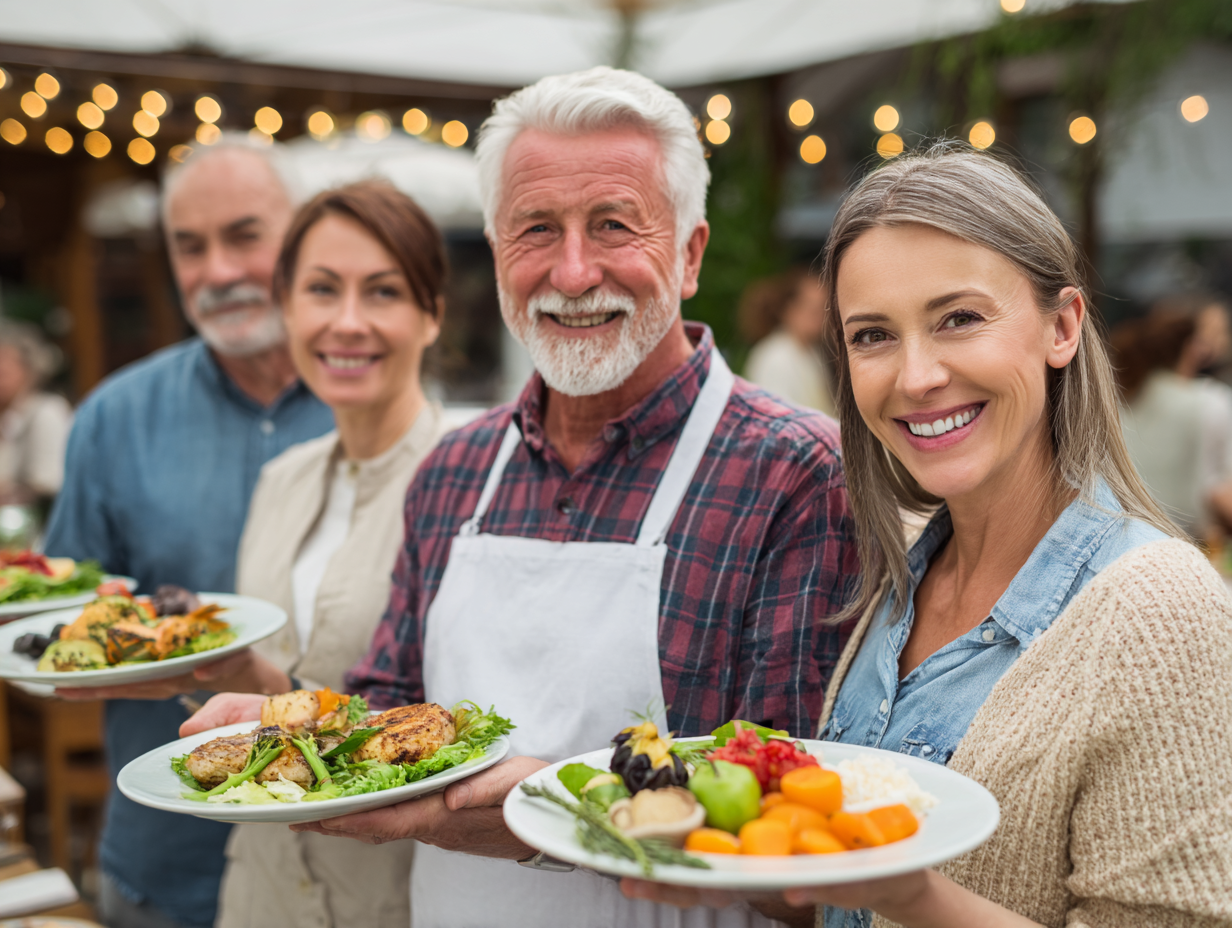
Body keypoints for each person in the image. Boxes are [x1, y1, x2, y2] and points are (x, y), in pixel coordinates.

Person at [186, 66, 859, 928]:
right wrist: (295, 724)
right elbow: (391, 712)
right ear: (501, 254)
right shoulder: (455, 470)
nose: (573, 274)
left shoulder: (796, 472)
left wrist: (537, 809)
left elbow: (804, 831)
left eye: (614, 226)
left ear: (689, 254)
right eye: (537, 229)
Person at [626, 147, 1232, 927]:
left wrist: (911, 894)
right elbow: (841, 900)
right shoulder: (894, 580)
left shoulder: (1161, 613)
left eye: (959, 319)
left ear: (1062, 326)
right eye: (873, 335)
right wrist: (713, 854)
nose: (916, 377)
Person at [45, 139, 335, 928]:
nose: (216, 271)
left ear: (306, 232)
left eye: (245, 235)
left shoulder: (374, 406)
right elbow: (63, 627)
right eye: (189, 246)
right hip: (168, 865)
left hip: (353, 867)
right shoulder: (112, 418)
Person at [1114, 296, 1232, 541]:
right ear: (1193, 346)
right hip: (1183, 544)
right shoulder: (1209, 400)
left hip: (1121, 537)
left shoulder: (1122, 395)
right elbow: (1216, 491)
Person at [740, 267, 835, 415]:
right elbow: (778, 417)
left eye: (823, 309)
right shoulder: (774, 356)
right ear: (789, 308)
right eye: (812, 309)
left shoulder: (811, 351)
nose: (819, 317)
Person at [0, 319, 71, 504]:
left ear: (29, 370)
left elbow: (49, 486)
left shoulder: (47, 412)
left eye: (4, 371)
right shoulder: (8, 415)